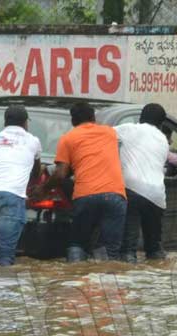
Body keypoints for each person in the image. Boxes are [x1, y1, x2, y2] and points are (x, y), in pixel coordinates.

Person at [36, 102, 126, 262]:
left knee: (78, 243)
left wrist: (43, 189)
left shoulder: (68, 138)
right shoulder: (110, 133)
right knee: (108, 250)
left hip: (86, 196)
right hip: (115, 196)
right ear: (94, 118)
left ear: (72, 121)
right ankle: (105, 280)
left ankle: (75, 277)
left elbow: (61, 174)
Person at [0, 105, 42, 267]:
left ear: (5, 121)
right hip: (12, 195)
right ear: (25, 122)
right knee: (6, 252)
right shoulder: (33, 141)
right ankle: (5, 289)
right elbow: (36, 171)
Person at [115, 103, 170, 262]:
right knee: (154, 249)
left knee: (128, 249)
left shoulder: (128, 129)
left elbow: (101, 135)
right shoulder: (163, 140)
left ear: (140, 118)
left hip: (132, 190)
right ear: (161, 123)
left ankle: (128, 277)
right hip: (157, 196)